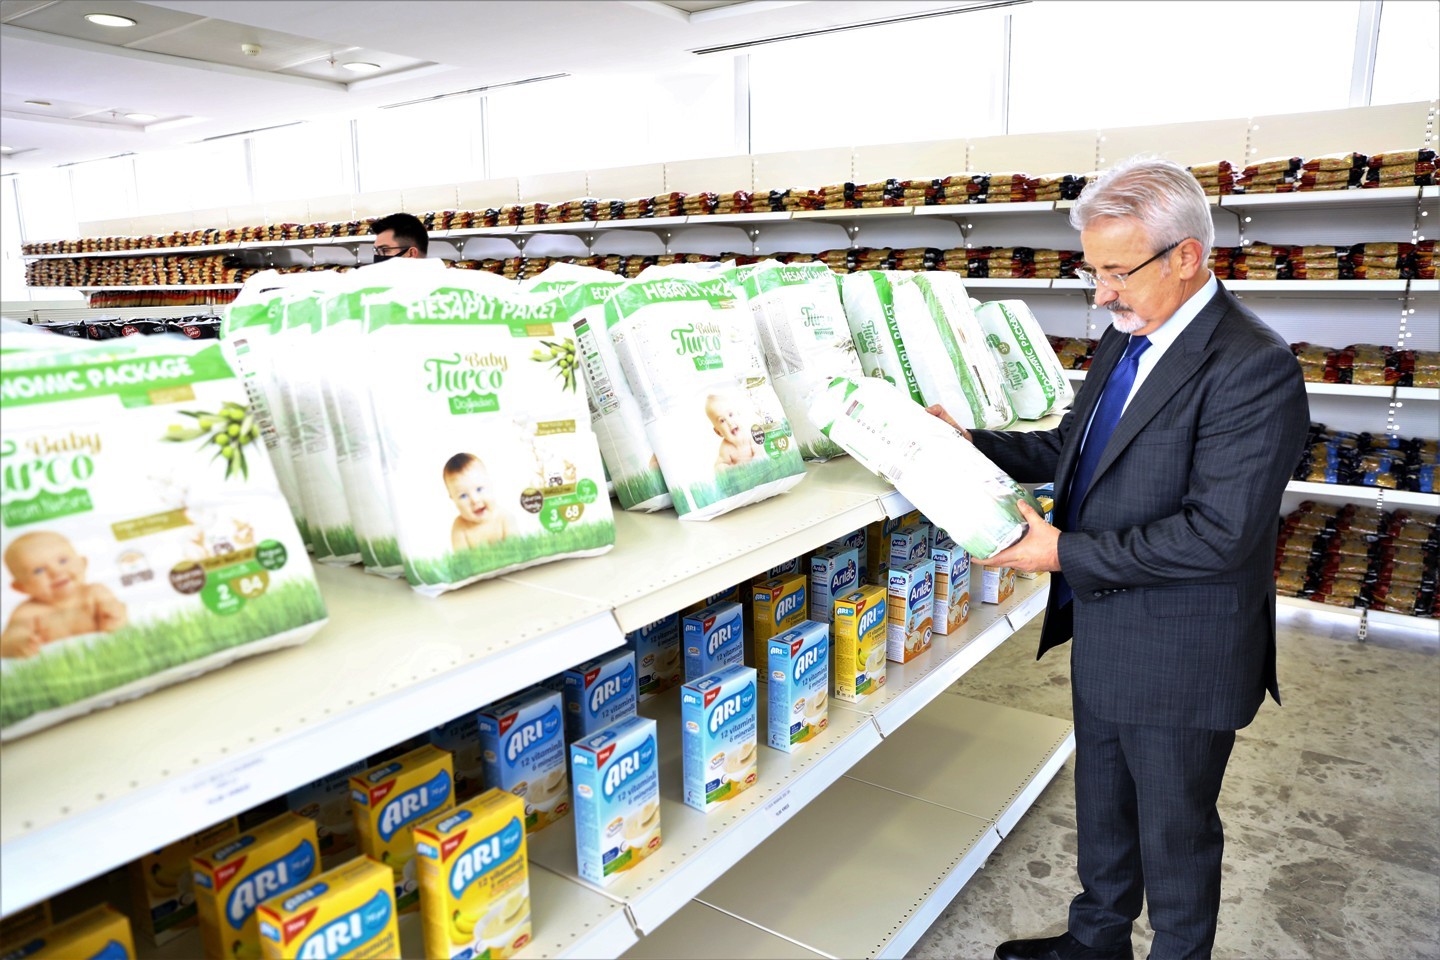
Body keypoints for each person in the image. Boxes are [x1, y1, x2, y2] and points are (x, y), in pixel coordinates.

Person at [928, 156, 1309, 960]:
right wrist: (966, 443)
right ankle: (1096, 940)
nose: (1101, 294)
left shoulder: (1252, 365)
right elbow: (1071, 448)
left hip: (1182, 650)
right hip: (1108, 628)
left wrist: (1063, 552)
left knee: (1175, 833)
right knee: (1103, 804)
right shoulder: (1126, 338)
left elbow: (1220, 533)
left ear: (1186, 256)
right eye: (1092, 271)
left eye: (1116, 272)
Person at [2, 530, 128, 657]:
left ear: (83, 563)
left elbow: (117, 614)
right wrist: (18, 644)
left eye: (62, 561)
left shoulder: (95, 593)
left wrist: (114, 618)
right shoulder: (28, 612)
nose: (56, 572)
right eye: (38, 570)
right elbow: (8, 640)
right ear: (21, 587)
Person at [443, 453, 514, 552]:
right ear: (452, 499)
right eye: (463, 496)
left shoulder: (504, 518)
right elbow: (462, 559)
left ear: (490, 484)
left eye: (479, 489)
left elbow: (517, 551)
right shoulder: (460, 528)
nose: (475, 500)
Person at [705, 393, 762, 469]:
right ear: (718, 432)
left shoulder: (750, 436)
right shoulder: (726, 448)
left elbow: (760, 452)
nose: (729, 422)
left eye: (730, 415)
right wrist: (727, 469)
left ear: (739, 414)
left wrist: (756, 461)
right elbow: (718, 466)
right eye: (722, 420)